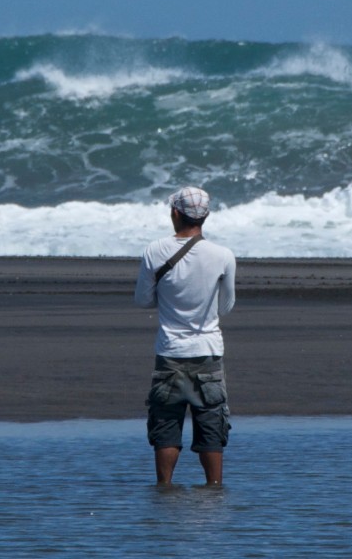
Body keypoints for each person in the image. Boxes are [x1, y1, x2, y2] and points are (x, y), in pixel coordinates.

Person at [134, 186, 236, 486]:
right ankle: (214, 490)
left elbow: (143, 299)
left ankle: (164, 489)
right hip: (208, 351)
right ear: (205, 216)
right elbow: (226, 307)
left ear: (176, 213)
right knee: (211, 428)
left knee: (166, 425)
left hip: (170, 352)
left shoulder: (154, 250)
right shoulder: (223, 255)